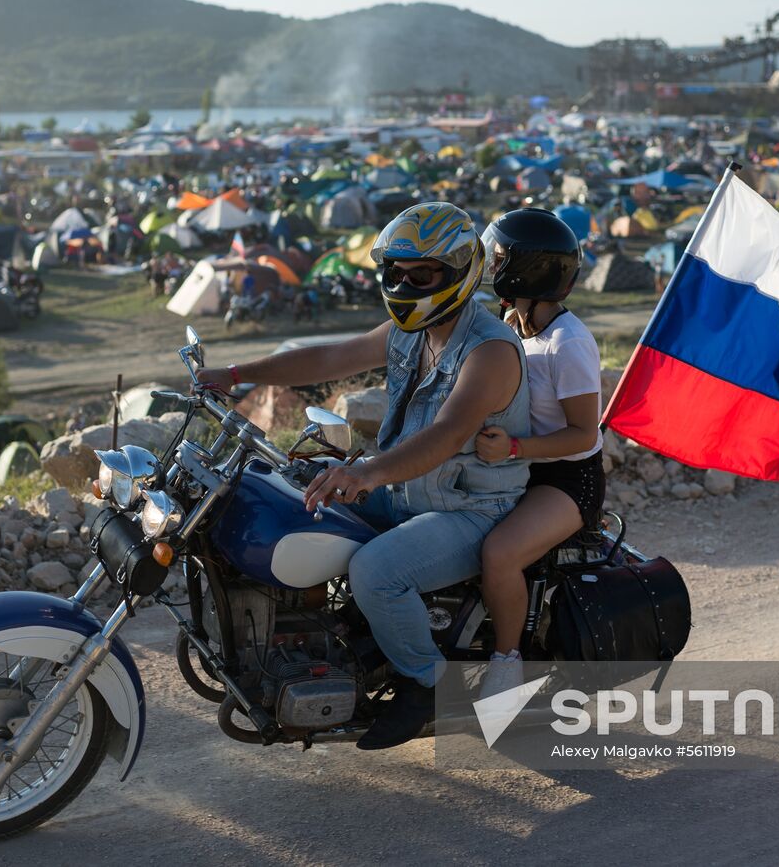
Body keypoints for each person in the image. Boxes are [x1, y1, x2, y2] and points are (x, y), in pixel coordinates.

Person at [197, 203, 529, 749]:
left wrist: (366, 473)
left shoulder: (489, 350)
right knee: (289, 489)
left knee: (376, 571)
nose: (403, 284)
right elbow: (330, 358)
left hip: (468, 510)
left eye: (419, 274)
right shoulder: (412, 330)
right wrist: (237, 376)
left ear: (460, 271)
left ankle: (426, 685)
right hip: (405, 491)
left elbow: (446, 436)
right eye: (393, 273)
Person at [472, 208, 603, 700]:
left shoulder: (569, 343)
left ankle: (507, 664)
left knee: (499, 554)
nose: (491, 263)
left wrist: (514, 448)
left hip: (566, 480)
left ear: (528, 269)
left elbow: (583, 435)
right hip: (519, 467)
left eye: (500, 256)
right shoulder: (513, 323)